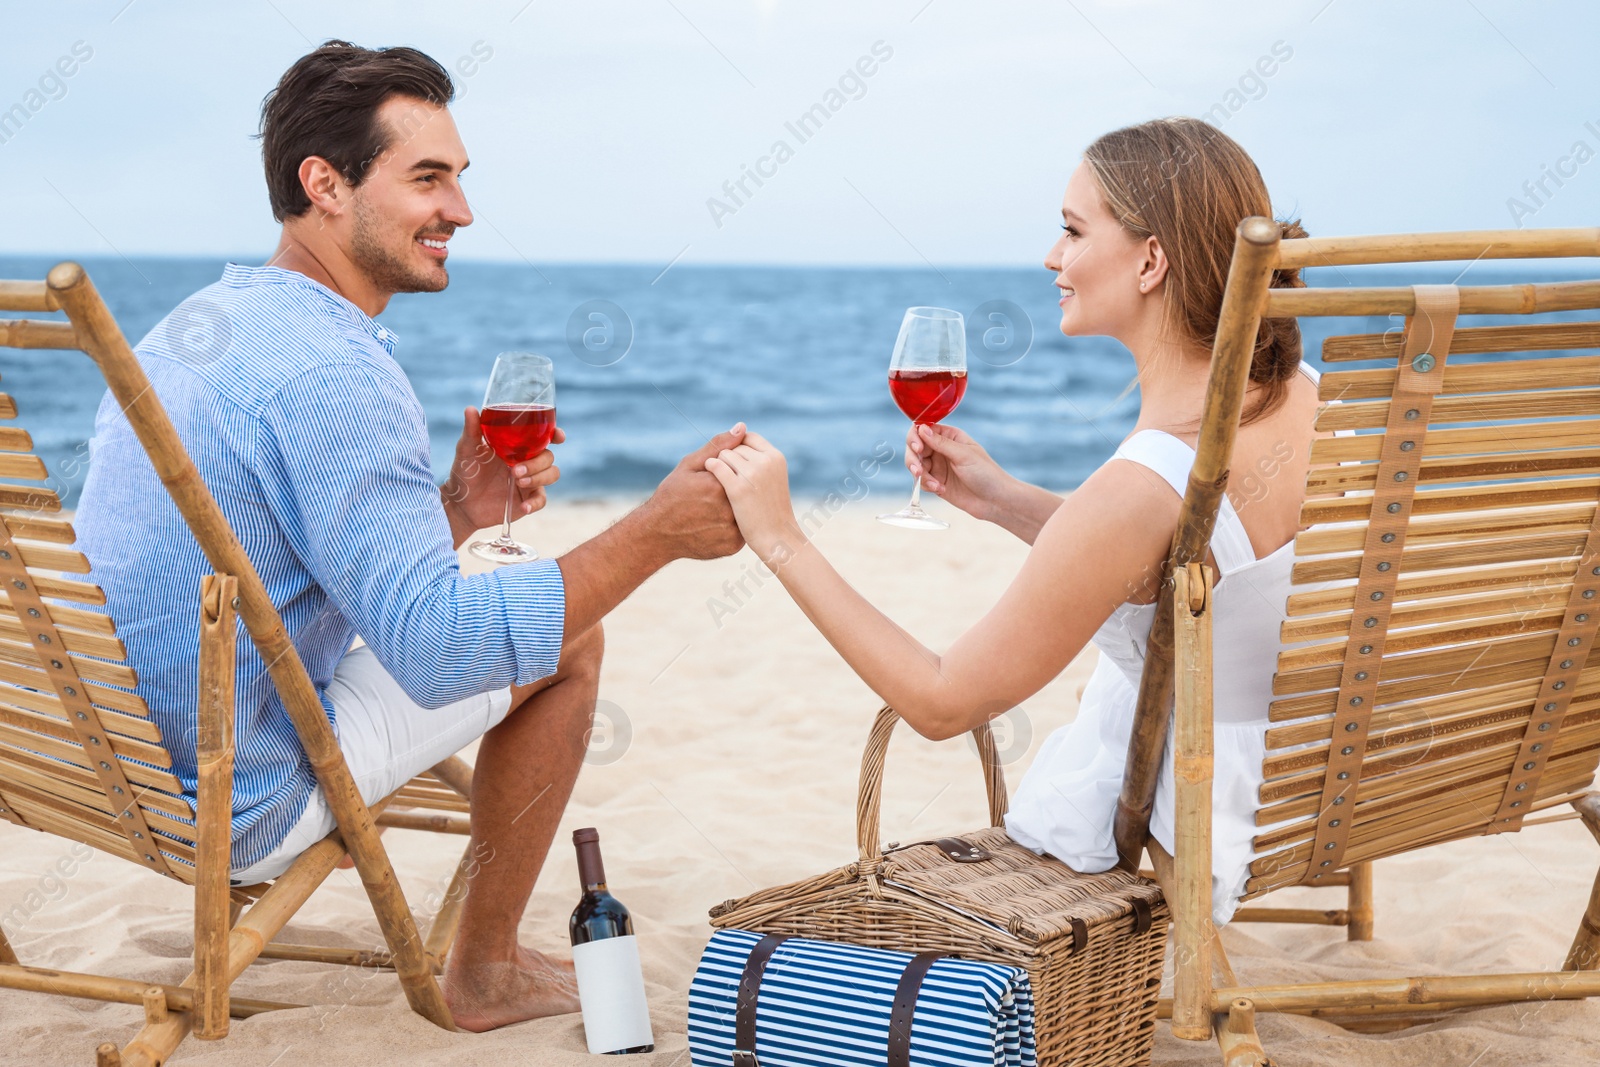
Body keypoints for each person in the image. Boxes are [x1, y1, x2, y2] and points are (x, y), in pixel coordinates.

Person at [73, 41, 746, 1032]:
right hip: (226, 804)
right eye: (427, 178)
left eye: (461, 180)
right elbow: (436, 652)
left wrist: (459, 515)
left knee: (491, 600)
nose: (461, 212)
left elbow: (291, 562)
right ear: (326, 185)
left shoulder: (195, 324)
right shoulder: (340, 370)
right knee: (570, 641)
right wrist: (653, 533)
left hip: (103, 770)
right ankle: (480, 970)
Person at [701, 117, 1330, 926]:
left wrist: (779, 536)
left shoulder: (1144, 484)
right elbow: (1193, 558)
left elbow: (940, 701)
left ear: (1151, 260)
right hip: (1307, 776)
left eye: (1072, 231)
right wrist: (1005, 499)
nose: (1051, 257)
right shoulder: (1302, 392)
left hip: (1213, 811)